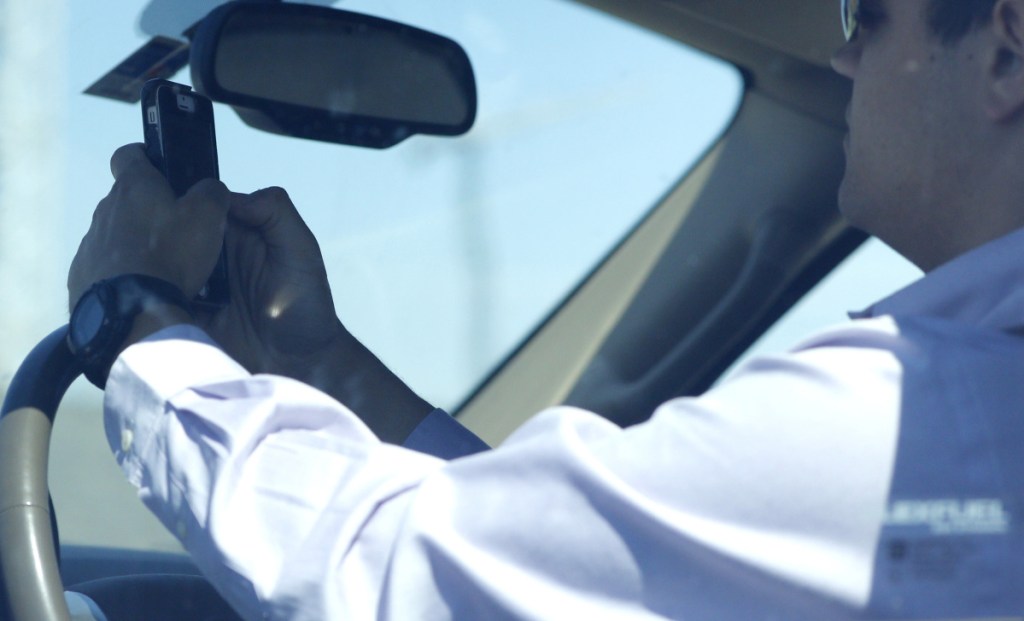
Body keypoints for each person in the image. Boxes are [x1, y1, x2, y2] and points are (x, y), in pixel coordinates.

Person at [66, 0, 1024, 618]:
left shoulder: (924, 415)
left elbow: (390, 575)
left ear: (1007, 50)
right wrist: (321, 360)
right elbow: (563, 569)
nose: (845, 60)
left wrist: (140, 318)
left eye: (872, 16)